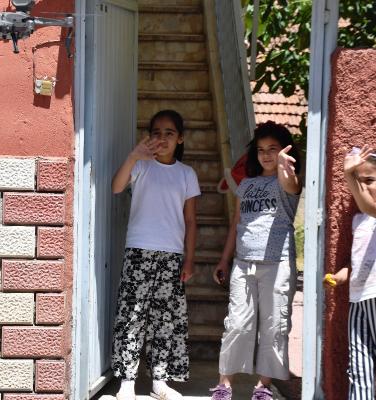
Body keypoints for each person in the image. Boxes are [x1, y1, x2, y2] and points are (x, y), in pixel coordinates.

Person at [110, 110, 200, 400]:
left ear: (180, 138)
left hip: (172, 254)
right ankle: (127, 380)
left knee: (164, 319)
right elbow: (116, 187)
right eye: (156, 132)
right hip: (138, 250)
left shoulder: (186, 174)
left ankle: (160, 380)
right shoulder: (141, 166)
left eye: (169, 133)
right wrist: (133, 156)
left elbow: (191, 221)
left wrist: (189, 259)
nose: (162, 138)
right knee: (132, 314)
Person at [210, 121, 302, 400]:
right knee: (236, 324)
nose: (266, 155)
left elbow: (291, 184)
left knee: (275, 326)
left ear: (285, 151)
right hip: (243, 263)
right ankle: (224, 385)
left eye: (273, 149)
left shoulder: (288, 181)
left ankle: (263, 386)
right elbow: (236, 224)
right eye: (261, 149)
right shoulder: (247, 185)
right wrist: (224, 260)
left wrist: (285, 166)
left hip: (277, 264)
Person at [323, 145, 376, 399]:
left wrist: (348, 176)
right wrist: (340, 277)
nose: (362, 187)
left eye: (369, 180)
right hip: (358, 299)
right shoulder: (359, 221)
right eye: (358, 181)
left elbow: (370, 207)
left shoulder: (371, 213)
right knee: (359, 365)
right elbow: (357, 262)